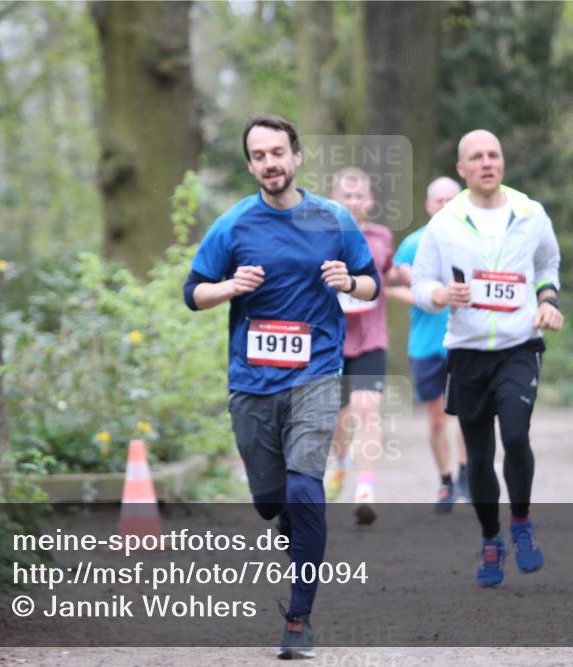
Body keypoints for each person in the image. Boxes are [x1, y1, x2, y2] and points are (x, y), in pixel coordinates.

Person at [183, 114, 380, 658]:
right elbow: (191, 292)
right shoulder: (233, 225)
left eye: (278, 152)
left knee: (303, 487)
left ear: (296, 157)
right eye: (259, 156)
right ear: (250, 165)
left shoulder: (333, 218)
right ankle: (290, 523)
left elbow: (371, 284)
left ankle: (299, 616)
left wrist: (349, 281)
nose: (270, 163)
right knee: (272, 502)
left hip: (316, 374)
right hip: (251, 384)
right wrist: (228, 287)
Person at [411, 130, 563, 588]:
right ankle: (491, 538)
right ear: (461, 170)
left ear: (503, 162)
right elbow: (420, 285)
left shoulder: (529, 213)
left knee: (515, 436)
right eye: (475, 157)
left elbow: (547, 265)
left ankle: (520, 521)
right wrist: (441, 294)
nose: (486, 162)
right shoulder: (445, 223)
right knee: (478, 456)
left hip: (519, 345)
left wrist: (548, 299)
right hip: (468, 351)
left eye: (493, 154)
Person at [387, 176, 470, 513]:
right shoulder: (413, 243)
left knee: (467, 415)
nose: (446, 206)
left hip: (464, 341)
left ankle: (467, 474)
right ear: (428, 206)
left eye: (452, 199)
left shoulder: (473, 242)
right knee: (437, 420)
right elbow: (387, 283)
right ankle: (446, 481)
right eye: (440, 200)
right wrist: (420, 294)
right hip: (425, 345)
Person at [323, 168, 395, 526]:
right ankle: (339, 461)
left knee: (368, 410)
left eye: (358, 196)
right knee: (340, 420)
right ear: (333, 200)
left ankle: (365, 490)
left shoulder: (382, 237)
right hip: (332, 341)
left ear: (370, 201)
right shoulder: (319, 237)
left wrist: (408, 277)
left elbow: (391, 275)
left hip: (371, 338)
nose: (352, 202)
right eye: (345, 196)